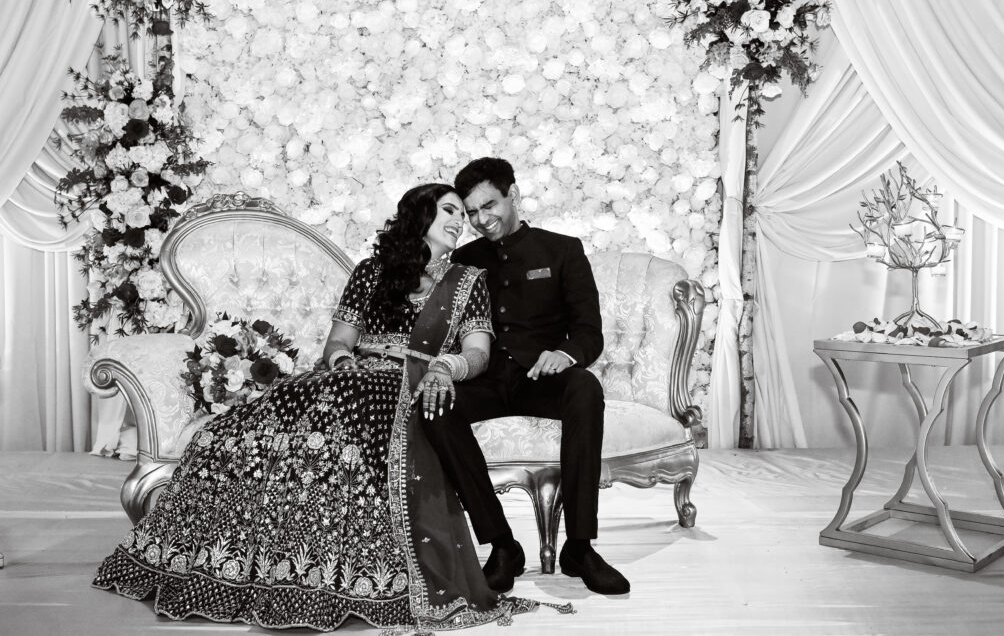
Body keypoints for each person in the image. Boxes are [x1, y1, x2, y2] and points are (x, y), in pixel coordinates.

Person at [93, 183, 570, 631]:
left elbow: (478, 352)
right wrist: (343, 362)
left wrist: (446, 368)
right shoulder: (371, 272)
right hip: (352, 376)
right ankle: (268, 562)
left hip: (412, 381)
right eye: (449, 211)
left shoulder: (468, 280)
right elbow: (339, 342)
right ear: (420, 216)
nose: (460, 221)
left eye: (462, 214)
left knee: (345, 411)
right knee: (245, 427)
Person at [422, 158, 630, 595]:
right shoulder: (464, 259)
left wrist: (565, 354)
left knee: (585, 387)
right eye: (472, 212)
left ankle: (580, 547)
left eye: (489, 206)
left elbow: (589, 333)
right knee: (436, 408)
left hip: (541, 381)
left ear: (513, 195)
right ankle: (502, 545)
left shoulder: (563, 250)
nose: (481, 220)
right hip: (484, 380)